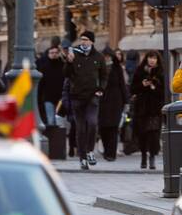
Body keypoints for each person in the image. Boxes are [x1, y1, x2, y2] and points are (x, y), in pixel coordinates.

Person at [64, 31, 108, 170]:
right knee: (81, 129)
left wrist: (101, 88)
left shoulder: (99, 57)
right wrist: (69, 62)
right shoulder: (74, 54)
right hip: (77, 97)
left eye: (86, 40)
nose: (83, 42)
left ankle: (90, 151)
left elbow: (104, 76)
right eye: (82, 39)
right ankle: (82, 158)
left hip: (92, 96)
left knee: (93, 123)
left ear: (92, 42)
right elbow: (66, 74)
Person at [130, 50, 165, 170]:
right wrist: (142, 85)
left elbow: (164, 92)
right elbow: (132, 89)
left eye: (154, 58)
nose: (152, 60)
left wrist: (154, 87)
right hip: (142, 109)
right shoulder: (139, 72)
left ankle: (152, 157)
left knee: (154, 134)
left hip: (155, 109)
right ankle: (144, 156)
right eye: (150, 58)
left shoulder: (161, 73)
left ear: (157, 60)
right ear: (146, 59)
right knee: (143, 134)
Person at [98, 48, 129, 162]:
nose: (107, 58)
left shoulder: (117, 68)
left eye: (108, 56)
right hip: (102, 101)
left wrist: (126, 101)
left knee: (113, 128)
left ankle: (111, 153)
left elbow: (122, 85)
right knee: (103, 128)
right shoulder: (99, 68)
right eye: (104, 56)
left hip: (116, 101)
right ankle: (106, 151)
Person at [36, 44, 66, 126]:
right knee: (51, 121)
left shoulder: (62, 66)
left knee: (60, 121)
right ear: (48, 54)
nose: (54, 54)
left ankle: (58, 138)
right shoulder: (44, 67)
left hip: (60, 98)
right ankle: (52, 138)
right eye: (52, 53)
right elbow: (41, 84)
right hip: (48, 98)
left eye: (56, 52)